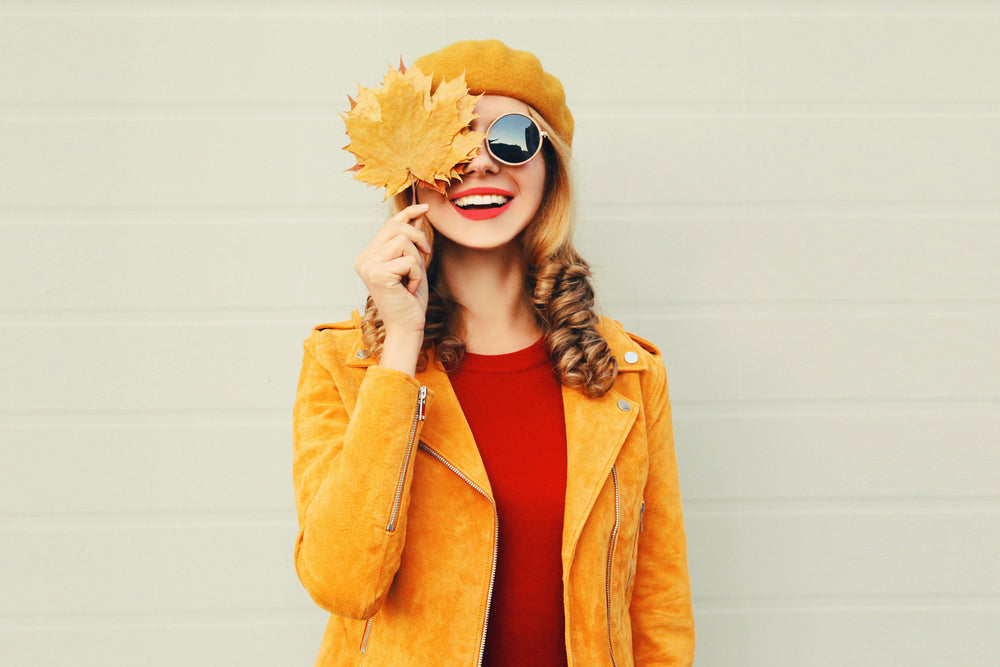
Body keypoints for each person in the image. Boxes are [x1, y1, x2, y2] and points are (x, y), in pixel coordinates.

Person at [292, 39, 694, 666]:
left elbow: (658, 605)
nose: (479, 164)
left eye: (511, 137)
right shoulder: (344, 365)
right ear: (411, 172)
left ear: (550, 168)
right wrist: (400, 345)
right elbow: (342, 583)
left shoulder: (629, 375)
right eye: (452, 138)